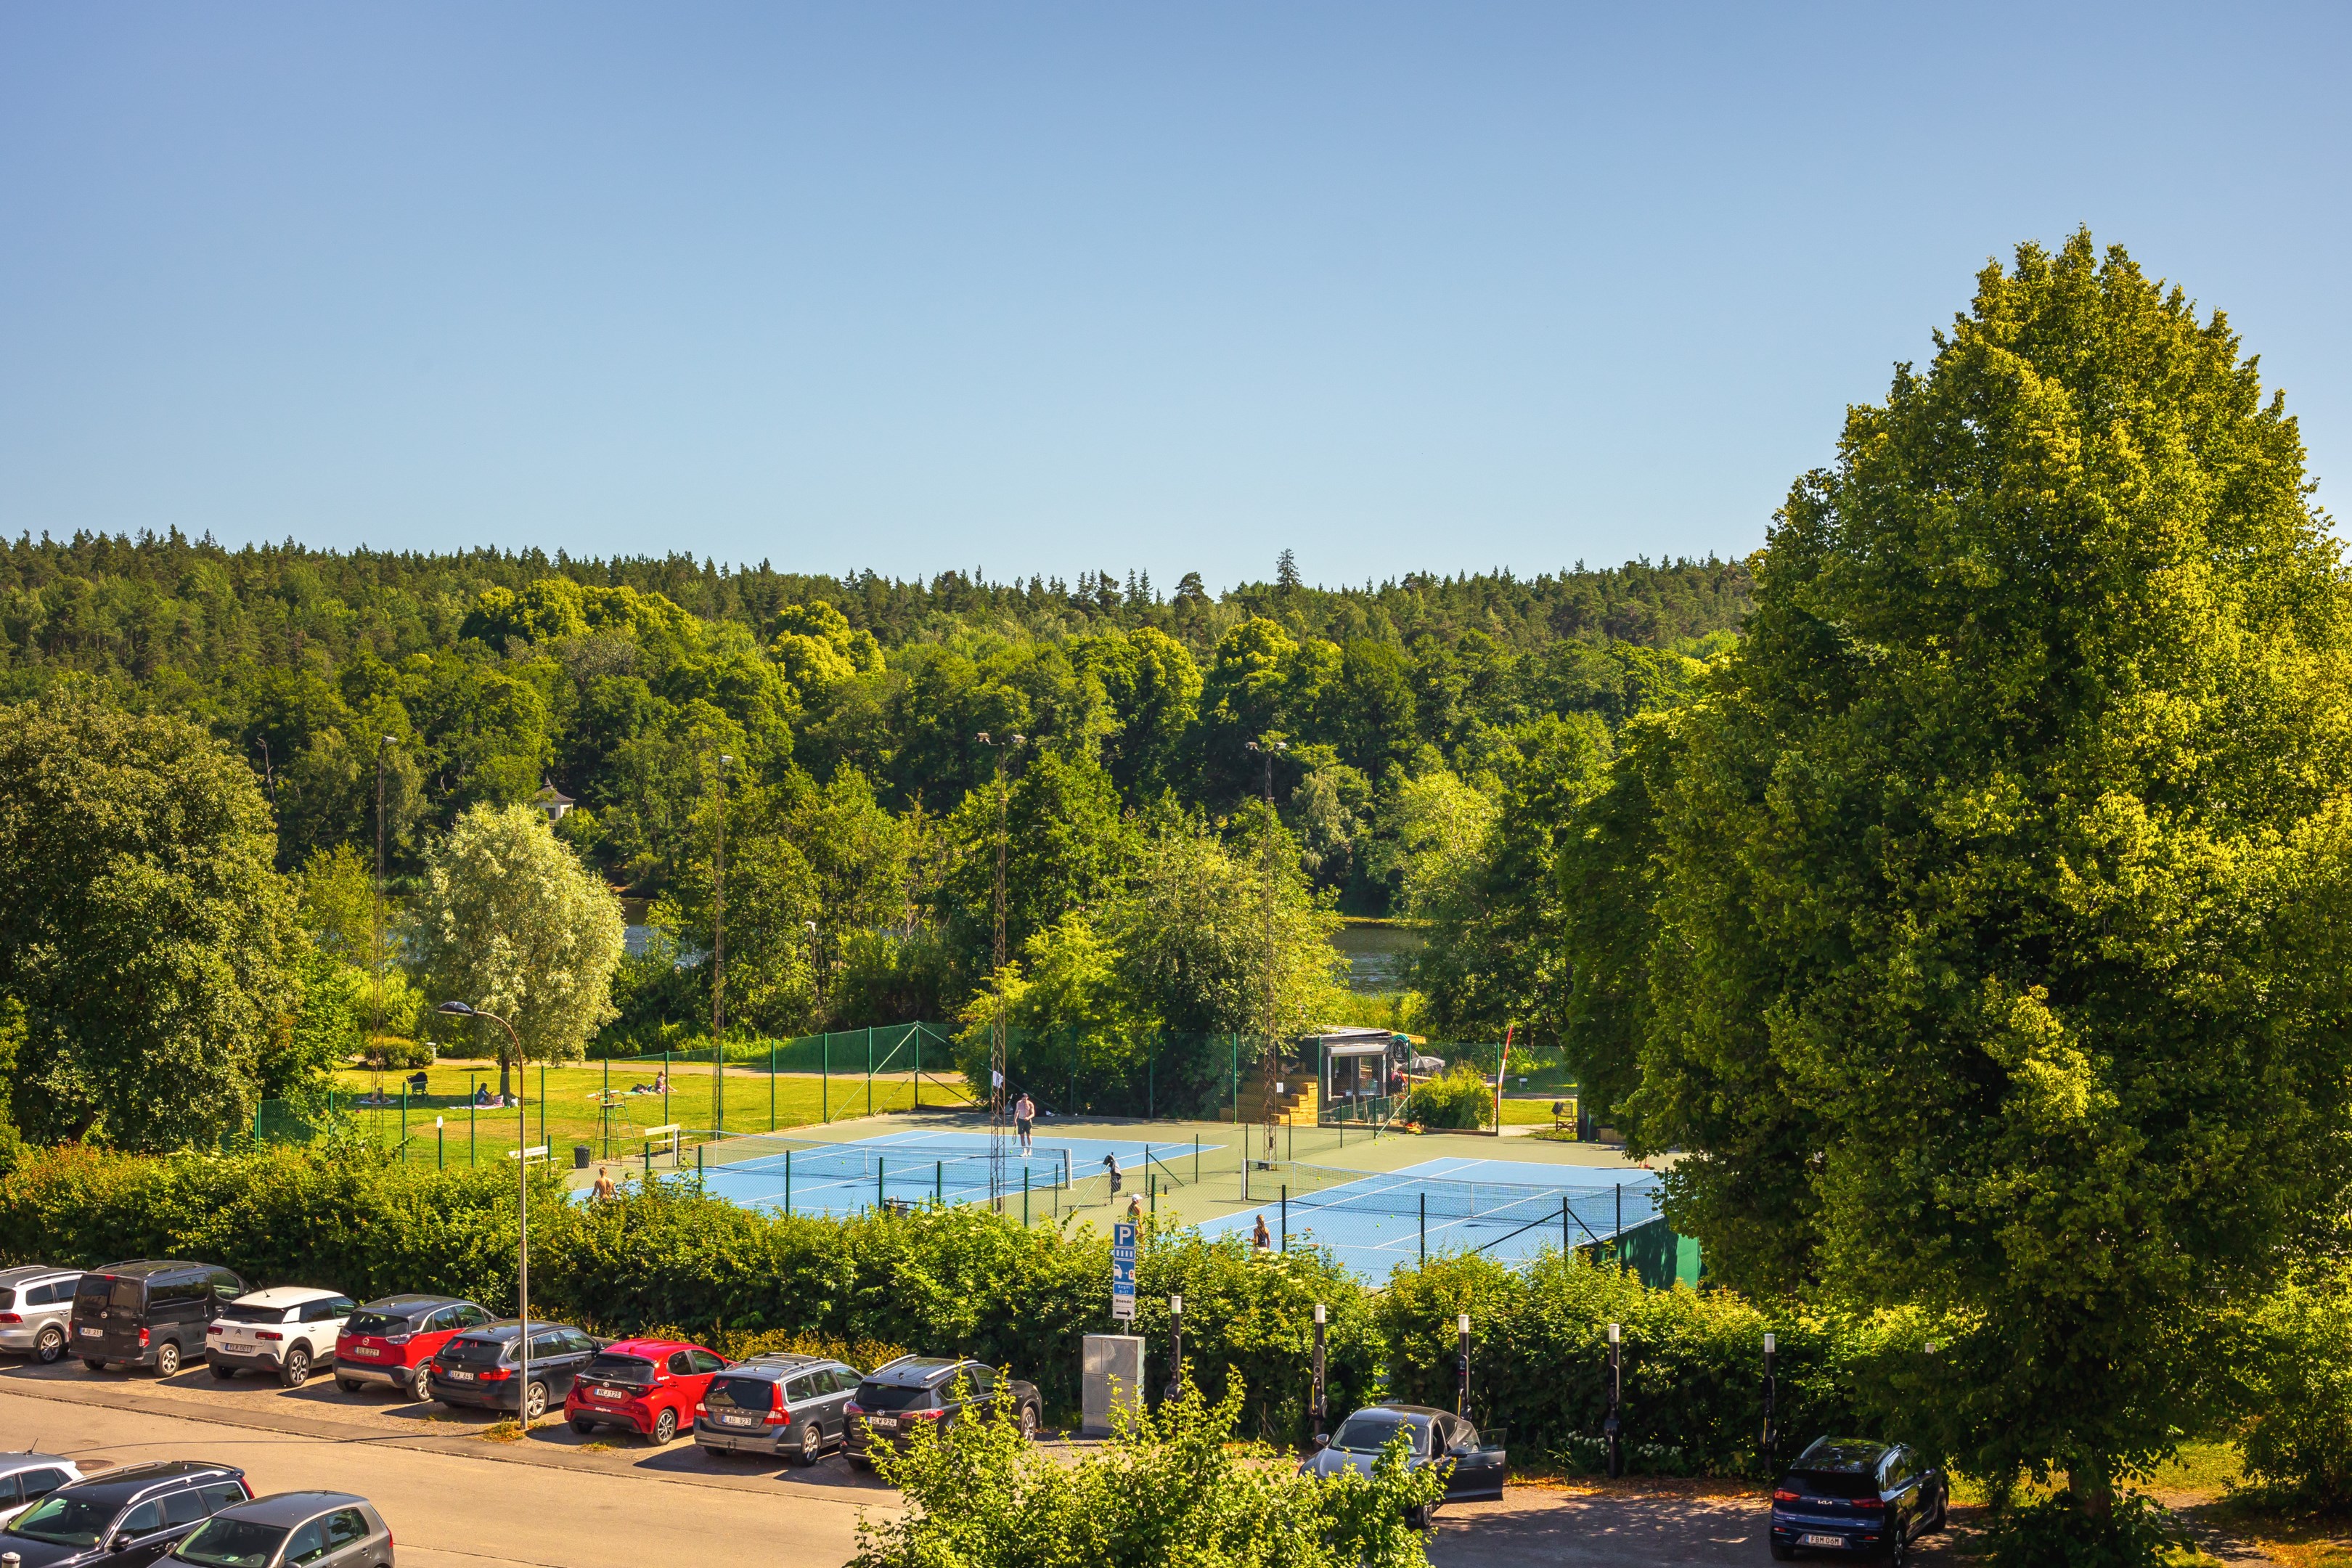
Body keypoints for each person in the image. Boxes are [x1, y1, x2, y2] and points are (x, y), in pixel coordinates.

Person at [1015, 1092, 1035, 1156]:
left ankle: (1030, 1150)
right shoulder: (1018, 1103)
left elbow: (1033, 1114)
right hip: (1021, 1121)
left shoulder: (1030, 1104)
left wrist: (1028, 1117)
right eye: (1023, 1099)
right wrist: (1015, 1120)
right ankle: (1024, 1151)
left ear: (1027, 1098)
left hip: (1028, 1122)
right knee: (1022, 1136)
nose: (1024, 1100)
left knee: (1029, 1136)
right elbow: (1017, 1112)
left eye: (1025, 1099)